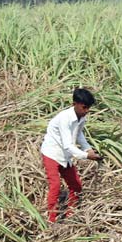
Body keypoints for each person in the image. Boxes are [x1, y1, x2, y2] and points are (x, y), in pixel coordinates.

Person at [40, 87, 102, 224]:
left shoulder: (81, 117)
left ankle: (70, 215)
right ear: (75, 104)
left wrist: (88, 149)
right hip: (52, 153)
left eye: (88, 108)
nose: (87, 111)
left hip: (65, 156)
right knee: (55, 185)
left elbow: (79, 134)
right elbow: (68, 145)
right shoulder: (64, 119)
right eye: (84, 107)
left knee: (76, 186)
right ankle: (51, 220)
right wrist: (86, 156)